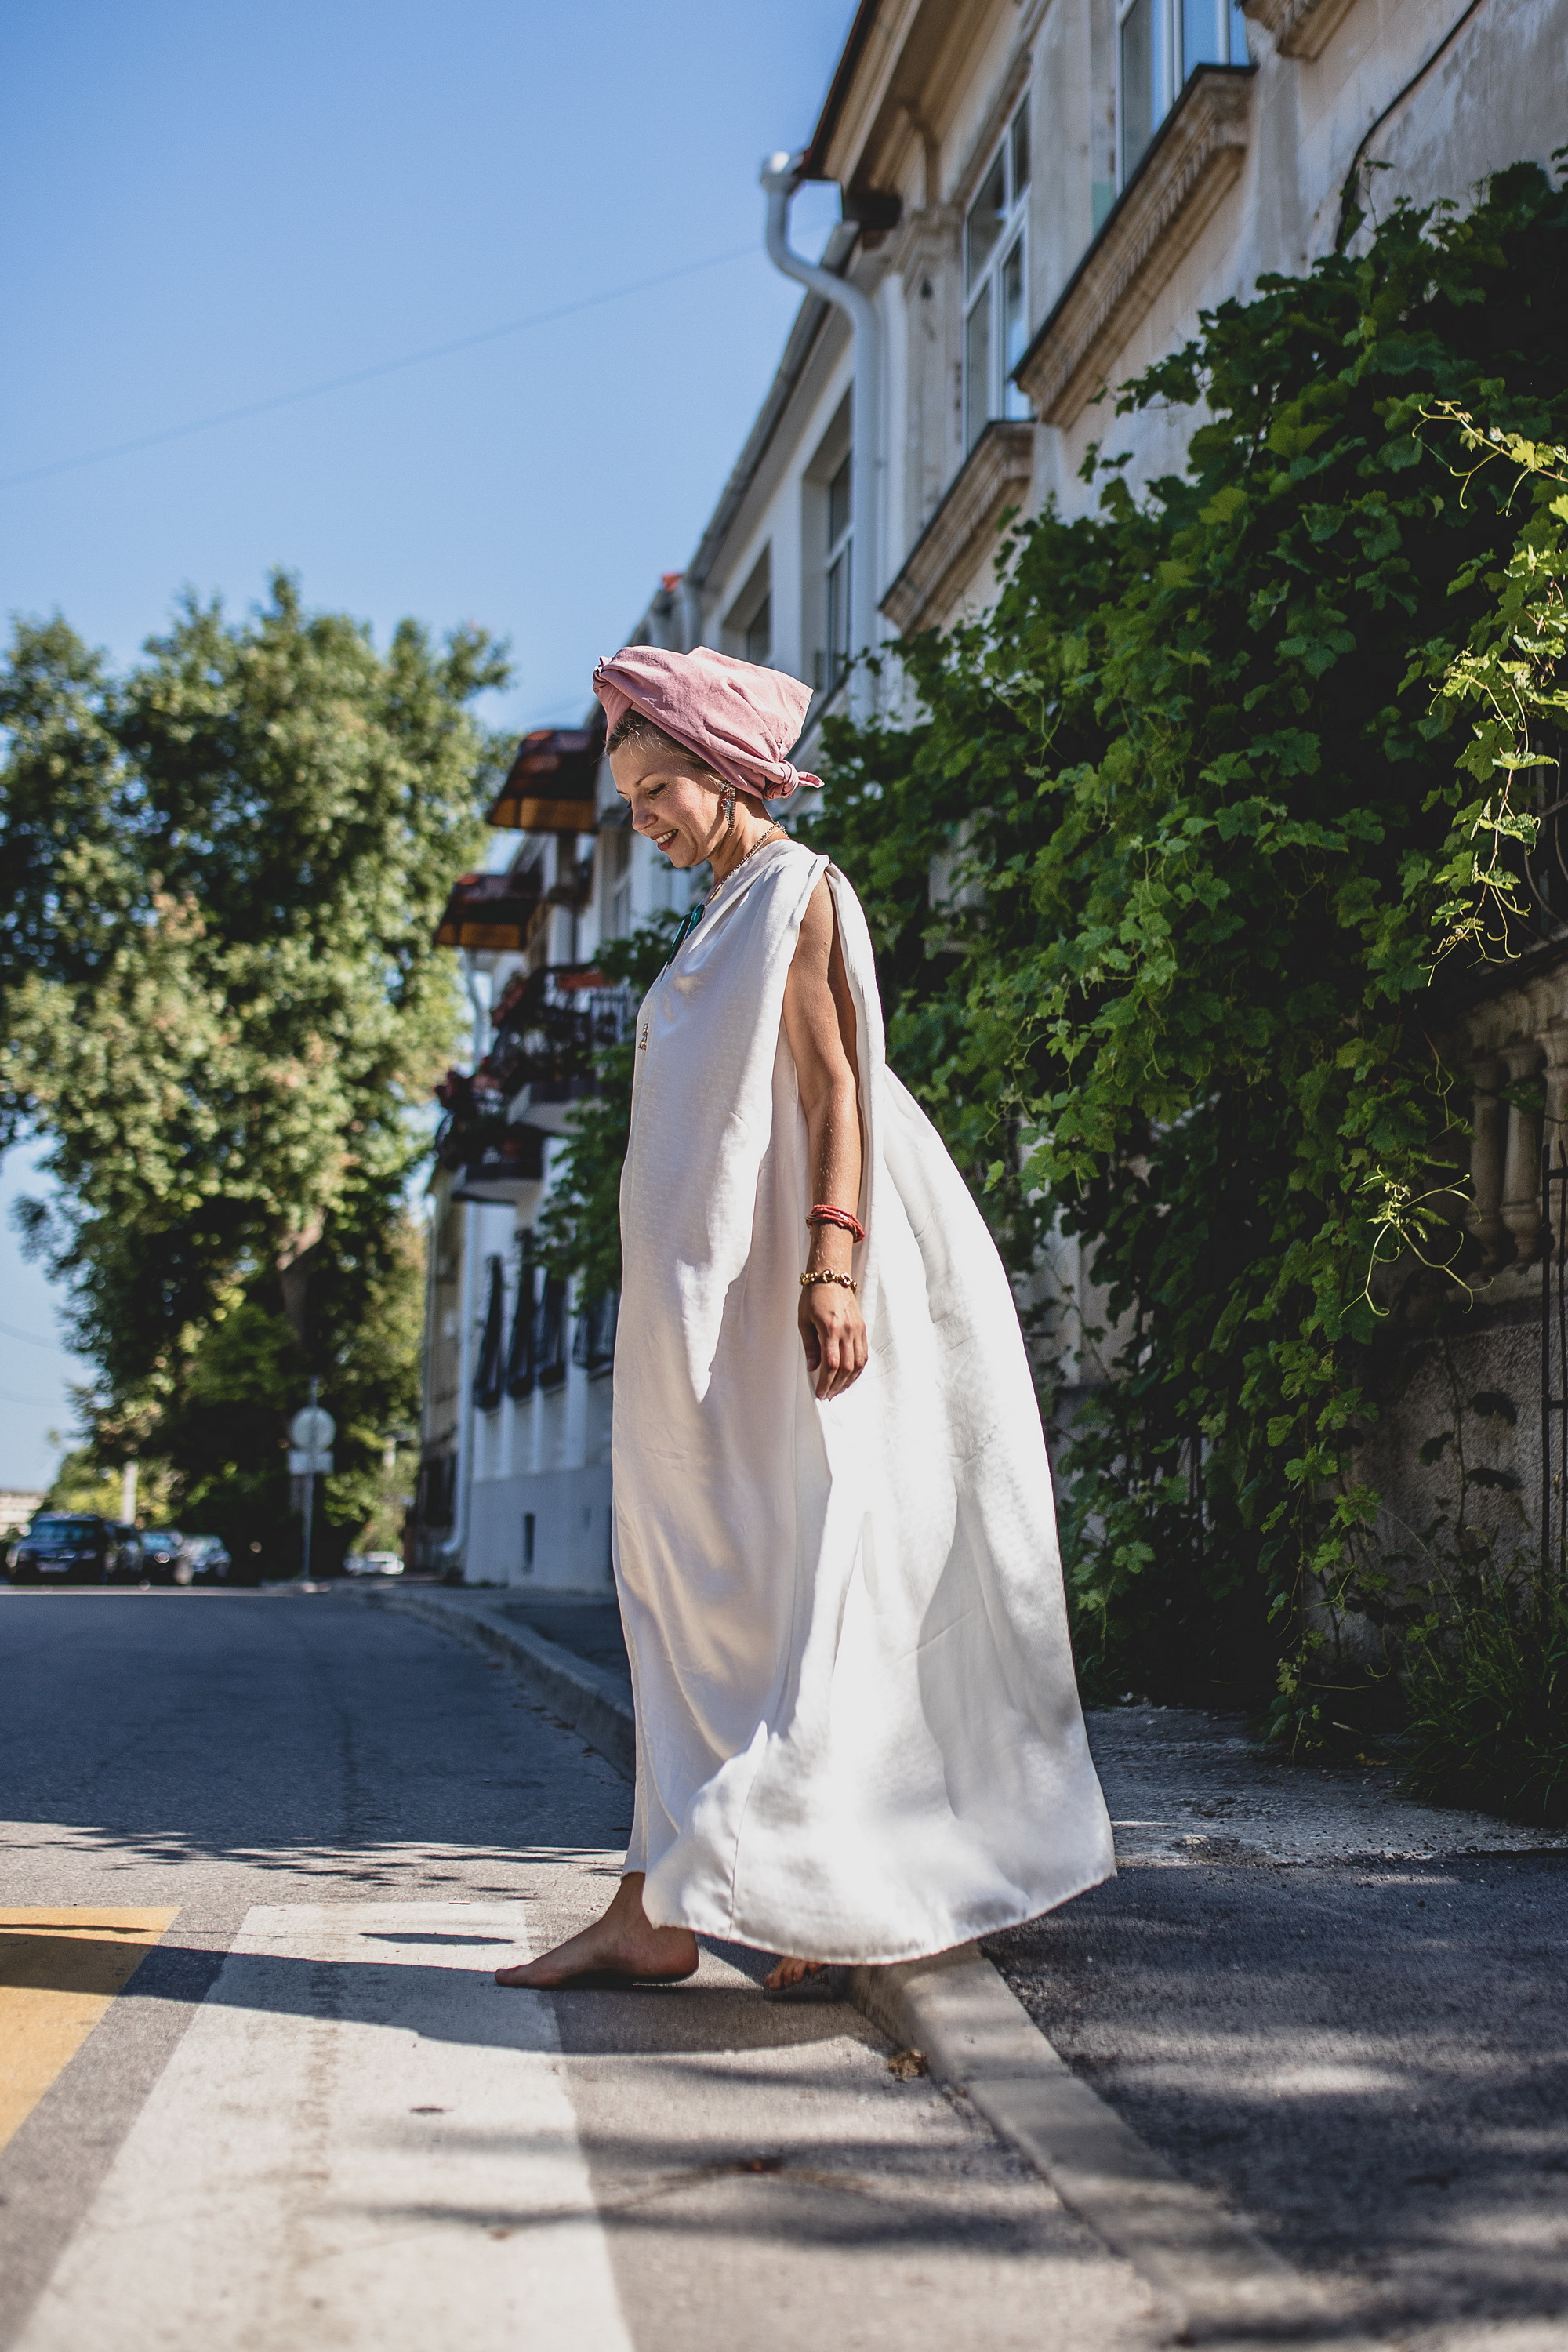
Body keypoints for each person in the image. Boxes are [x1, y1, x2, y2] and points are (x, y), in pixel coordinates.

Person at [497, 645, 1112, 1997]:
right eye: (630, 793)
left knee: (797, 1585)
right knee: (679, 1597)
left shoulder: (796, 890)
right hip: (694, 1332)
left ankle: (823, 1902)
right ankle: (652, 1905)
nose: (643, 814)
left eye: (660, 786)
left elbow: (841, 1090)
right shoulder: (720, 906)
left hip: (778, 1311)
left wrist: (832, 1270)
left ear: (725, 771)